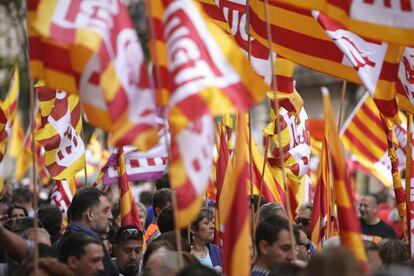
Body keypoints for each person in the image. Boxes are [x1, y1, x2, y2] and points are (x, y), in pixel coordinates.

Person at [56, 187, 117, 275]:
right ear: (89, 214)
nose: (111, 216)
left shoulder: (57, 244)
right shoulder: (93, 245)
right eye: (105, 210)